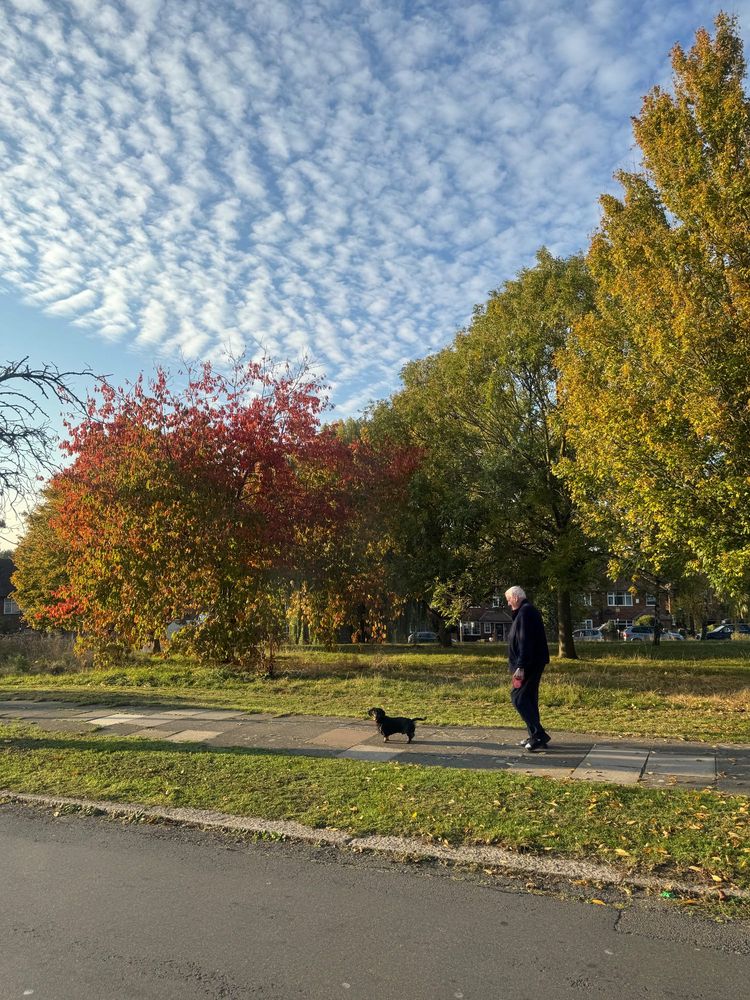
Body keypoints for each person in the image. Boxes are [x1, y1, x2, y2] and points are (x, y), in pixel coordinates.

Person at [505, 585, 551, 751]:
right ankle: (535, 734)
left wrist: (521, 666)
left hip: (529, 663)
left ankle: (539, 734)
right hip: (532, 661)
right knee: (529, 698)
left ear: (516, 598)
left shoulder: (525, 612)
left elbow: (525, 640)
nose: (509, 604)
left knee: (519, 698)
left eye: (509, 600)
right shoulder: (525, 611)